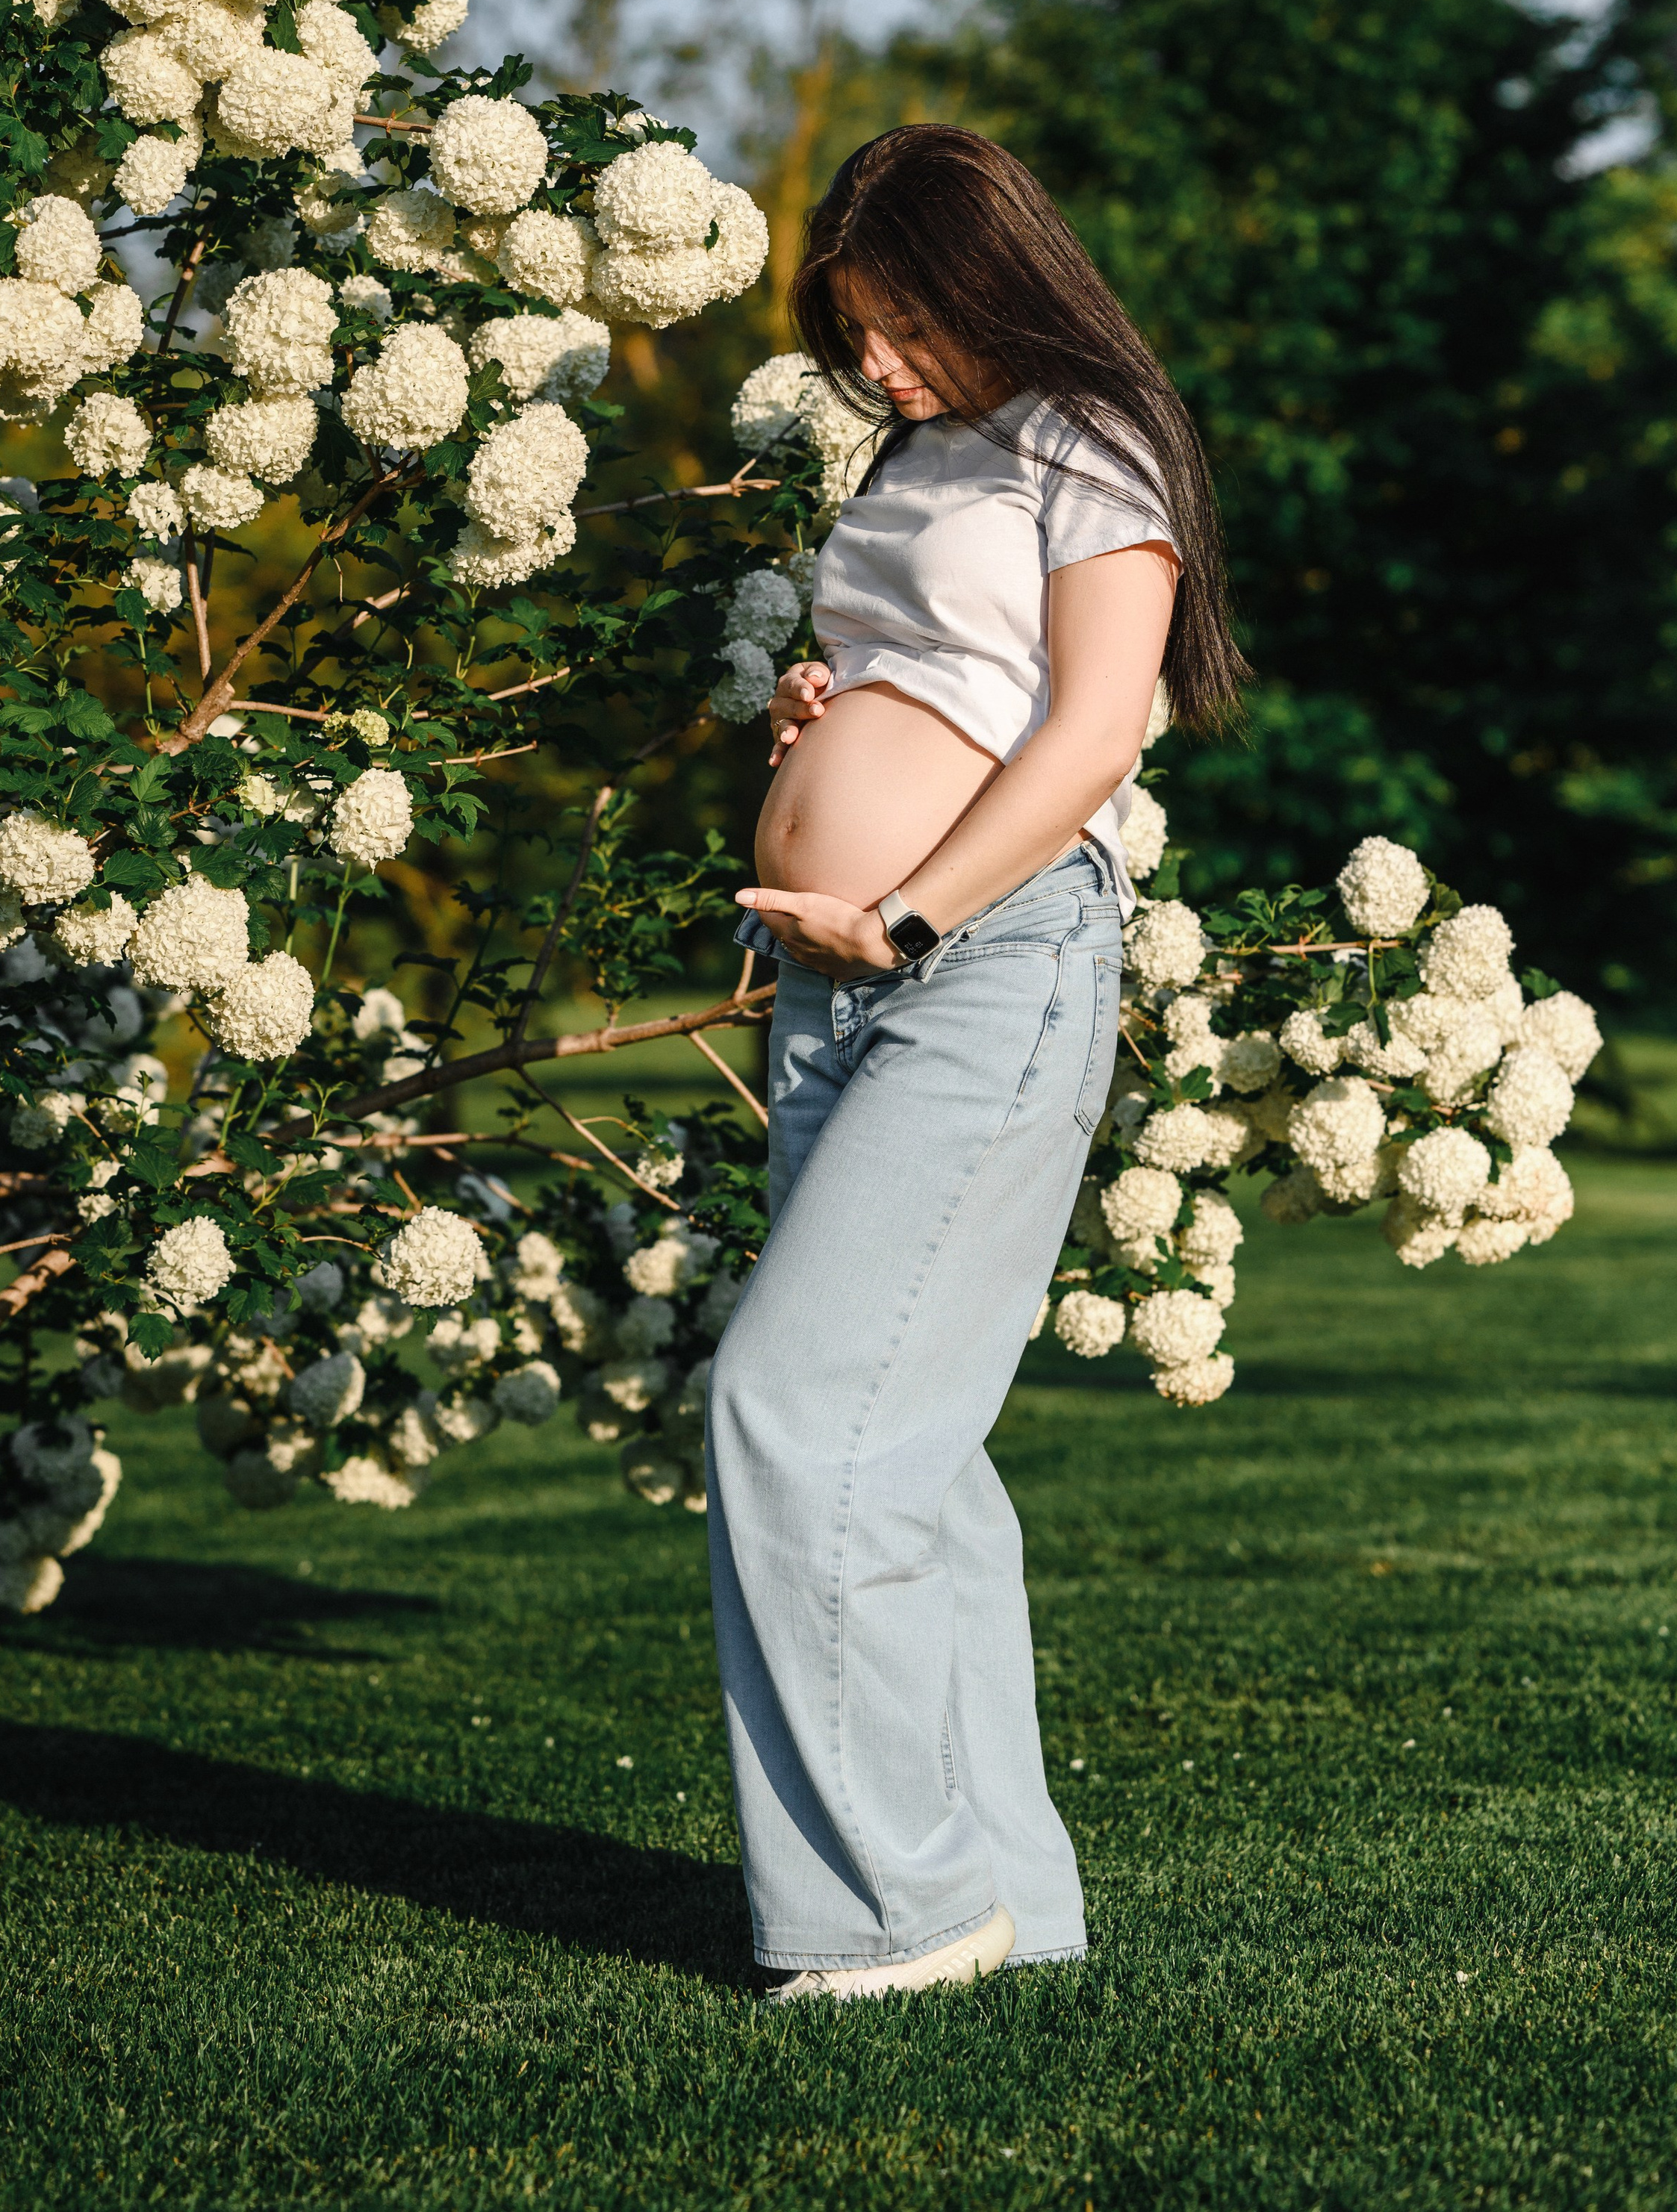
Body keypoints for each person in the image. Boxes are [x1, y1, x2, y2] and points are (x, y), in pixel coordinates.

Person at [705, 123, 1245, 2002]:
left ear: (988, 276)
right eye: (854, 333)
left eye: (902, 324)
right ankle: (1019, 1916)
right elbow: (953, 672)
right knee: (911, 1469)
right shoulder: (918, 456)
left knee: (789, 1414)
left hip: (975, 966)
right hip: (842, 994)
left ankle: (895, 1916)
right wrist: (821, 698)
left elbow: (1096, 722)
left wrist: (909, 911)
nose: (877, 365)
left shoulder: (1096, 437)